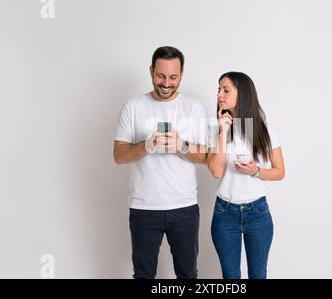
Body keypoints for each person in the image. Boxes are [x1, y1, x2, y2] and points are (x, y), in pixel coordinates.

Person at [113, 46, 208, 279]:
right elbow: (118, 155)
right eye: (161, 76)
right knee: (143, 275)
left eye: (173, 77)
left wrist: (181, 146)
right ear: (151, 71)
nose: (166, 83)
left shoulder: (194, 107)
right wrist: (146, 145)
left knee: (187, 275)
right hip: (144, 208)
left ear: (182, 74)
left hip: (184, 207)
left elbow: (208, 156)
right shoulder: (133, 107)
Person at [207, 72, 285, 279]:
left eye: (225, 90)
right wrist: (223, 132)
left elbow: (280, 172)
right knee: (231, 277)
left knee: (258, 275)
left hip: (257, 212)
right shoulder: (216, 130)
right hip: (224, 213)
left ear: (243, 94)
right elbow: (216, 171)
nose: (219, 95)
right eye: (218, 90)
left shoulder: (264, 130)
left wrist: (256, 171)